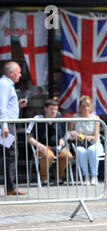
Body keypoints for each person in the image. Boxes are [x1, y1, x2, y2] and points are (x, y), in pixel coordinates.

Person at [26, 99, 73, 185]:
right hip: (42, 147)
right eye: (51, 109)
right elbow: (29, 138)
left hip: (58, 147)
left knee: (67, 155)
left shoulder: (60, 119)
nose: (54, 111)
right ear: (45, 109)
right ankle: (44, 178)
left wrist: (62, 139)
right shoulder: (37, 119)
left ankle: (57, 176)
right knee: (48, 155)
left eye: (55, 109)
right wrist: (39, 145)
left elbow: (65, 134)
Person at [0, 61, 28, 196]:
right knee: (10, 155)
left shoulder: (7, 85)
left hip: (8, 124)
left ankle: (10, 186)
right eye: (18, 72)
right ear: (11, 73)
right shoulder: (4, 84)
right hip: (6, 125)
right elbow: (1, 106)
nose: (20, 75)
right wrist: (4, 125)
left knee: (9, 154)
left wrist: (17, 105)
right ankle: (10, 187)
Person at [68, 95, 104, 186]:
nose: (85, 108)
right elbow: (69, 131)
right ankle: (86, 176)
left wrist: (82, 136)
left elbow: (95, 137)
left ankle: (94, 176)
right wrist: (73, 134)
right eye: (83, 106)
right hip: (80, 144)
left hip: (95, 144)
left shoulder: (96, 118)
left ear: (91, 107)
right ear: (79, 108)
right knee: (80, 151)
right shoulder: (75, 117)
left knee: (91, 150)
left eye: (87, 106)